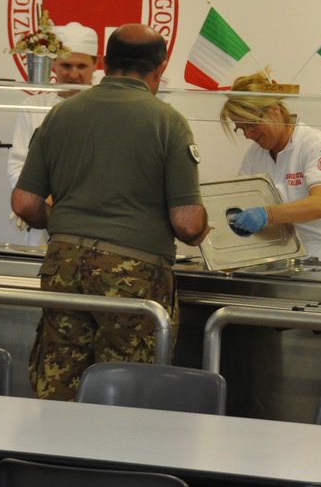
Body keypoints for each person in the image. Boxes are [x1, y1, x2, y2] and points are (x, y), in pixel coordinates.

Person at [12, 23, 208, 400]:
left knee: (59, 385)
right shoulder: (167, 122)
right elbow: (185, 222)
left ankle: (51, 458)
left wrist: (64, 226)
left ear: (104, 62)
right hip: (133, 275)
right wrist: (203, 228)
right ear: (160, 68)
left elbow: (25, 204)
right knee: (127, 389)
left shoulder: (61, 114)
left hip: (63, 268)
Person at [219, 70, 321, 266]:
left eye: (251, 125)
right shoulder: (255, 155)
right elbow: (240, 201)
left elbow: (320, 205)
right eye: (241, 129)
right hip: (285, 257)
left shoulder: (315, 144)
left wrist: (266, 214)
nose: (248, 135)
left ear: (274, 110)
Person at [6, 21, 101, 246]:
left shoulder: (106, 107)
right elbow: (18, 163)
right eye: (66, 66)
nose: (74, 74)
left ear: (96, 65)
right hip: (42, 221)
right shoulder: (33, 106)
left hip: (92, 221)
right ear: (53, 66)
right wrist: (38, 202)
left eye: (81, 66)